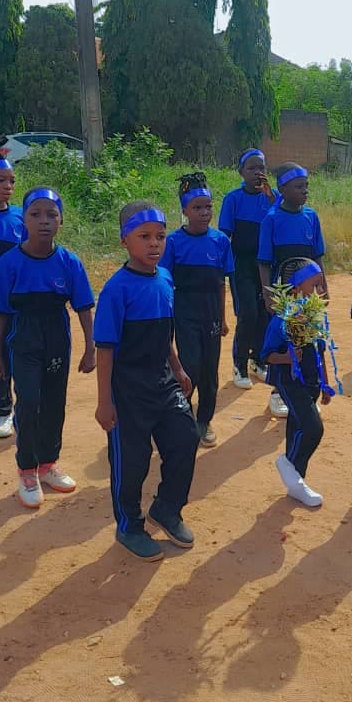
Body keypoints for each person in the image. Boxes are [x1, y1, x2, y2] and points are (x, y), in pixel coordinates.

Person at [94, 201, 199, 561]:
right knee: (132, 461)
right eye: (144, 237)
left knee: (186, 438)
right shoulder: (116, 290)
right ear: (125, 241)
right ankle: (129, 525)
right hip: (128, 392)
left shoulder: (165, 279)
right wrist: (104, 401)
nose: (154, 244)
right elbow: (105, 350)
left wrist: (179, 367)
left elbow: (165, 333)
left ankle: (167, 508)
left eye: (160, 236)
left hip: (164, 381)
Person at [0, 187, 95, 509]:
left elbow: (83, 307)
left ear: (61, 220)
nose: (44, 221)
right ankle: (27, 469)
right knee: (29, 400)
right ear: (23, 219)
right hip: (22, 337)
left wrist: (90, 348)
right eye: (35, 214)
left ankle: (48, 464)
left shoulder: (69, 262)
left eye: (51, 215)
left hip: (57, 337)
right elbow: (1, 313)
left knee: (54, 402)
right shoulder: (9, 264)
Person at [160, 172, 234, 449]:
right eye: (197, 208)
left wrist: (224, 318)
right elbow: (165, 283)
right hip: (185, 312)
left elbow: (221, 283)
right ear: (184, 212)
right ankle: (183, 415)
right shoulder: (174, 243)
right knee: (189, 366)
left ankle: (205, 420)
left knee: (210, 370)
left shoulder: (220, 241)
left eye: (208, 207)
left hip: (211, 313)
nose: (204, 213)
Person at [258, 162, 328, 419]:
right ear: (282, 189)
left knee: (308, 339)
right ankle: (278, 392)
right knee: (284, 340)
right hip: (284, 292)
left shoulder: (312, 217)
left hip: (309, 293)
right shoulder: (271, 220)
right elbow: (264, 262)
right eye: (299, 186)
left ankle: (308, 390)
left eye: (306, 185)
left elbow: (318, 256)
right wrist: (269, 294)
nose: (305, 190)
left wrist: (323, 288)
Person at [260, 257, 332, 507]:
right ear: (295, 290)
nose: (320, 292)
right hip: (290, 381)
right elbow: (266, 355)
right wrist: (287, 358)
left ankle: (296, 482)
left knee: (297, 426)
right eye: (314, 286)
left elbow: (320, 350)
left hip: (311, 381)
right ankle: (288, 464)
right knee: (314, 427)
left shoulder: (314, 318)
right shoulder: (282, 320)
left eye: (321, 286)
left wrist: (324, 383)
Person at [219, 149, 276, 390]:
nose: (257, 173)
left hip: (264, 264)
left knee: (266, 310)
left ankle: (258, 360)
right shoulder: (233, 199)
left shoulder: (270, 199)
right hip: (240, 264)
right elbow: (224, 236)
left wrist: (271, 197)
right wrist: (221, 267)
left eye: (261, 168)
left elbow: (281, 220)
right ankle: (239, 364)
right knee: (248, 313)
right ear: (241, 172)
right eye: (251, 168)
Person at [0, 156, 23, 438]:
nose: (8, 187)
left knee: (9, 351)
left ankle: (6, 410)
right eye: (1, 181)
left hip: (15, 302)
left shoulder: (20, 217)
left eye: (11, 181)